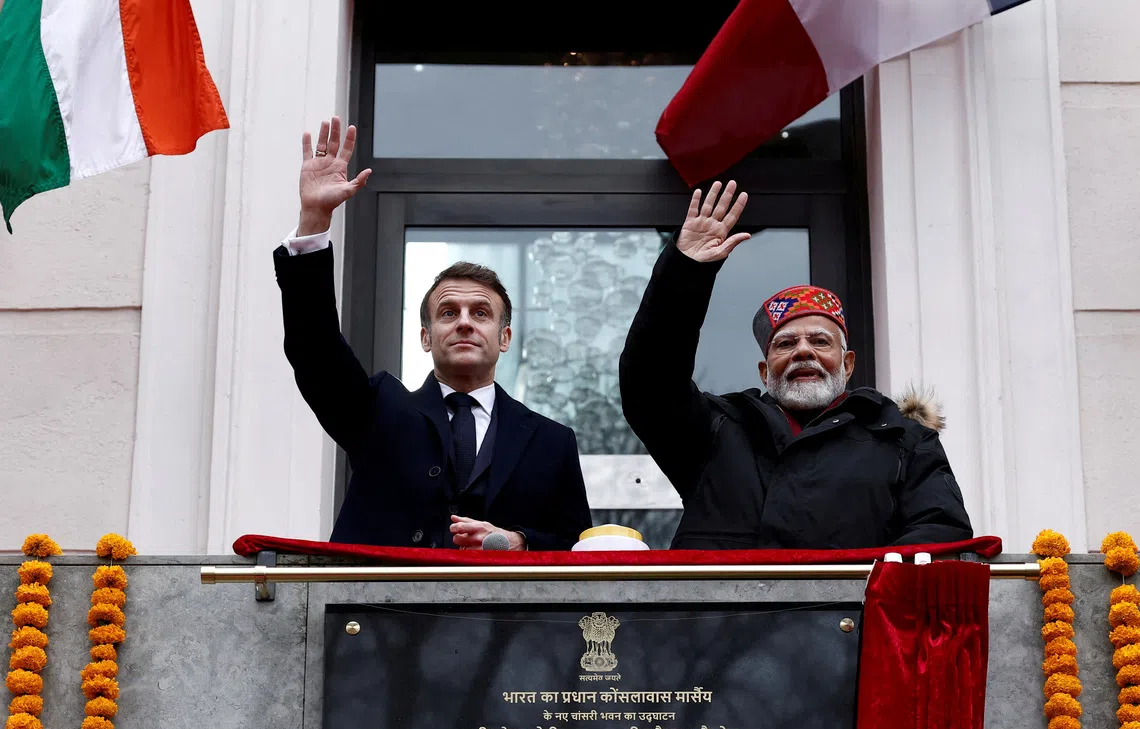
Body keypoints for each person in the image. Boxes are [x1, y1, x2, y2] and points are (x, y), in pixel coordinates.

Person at [273, 116, 592, 550]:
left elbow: (577, 548)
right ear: (426, 337)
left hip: (503, 618)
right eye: (447, 312)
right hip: (383, 615)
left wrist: (516, 541)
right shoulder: (377, 412)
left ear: (504, 338)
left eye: (481, 313)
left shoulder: (552, 440)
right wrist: (314, 219)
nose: (463, 321)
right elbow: (316, 349)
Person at [619, 180, 973, 550]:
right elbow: (650, 381)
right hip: (726, 610)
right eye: (785, 344)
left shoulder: (904, 440)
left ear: (847, 364)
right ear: (764, 371)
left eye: (820, 341)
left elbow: (940, 533)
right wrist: (684, 271)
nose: (803, 351)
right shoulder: (715, 430)